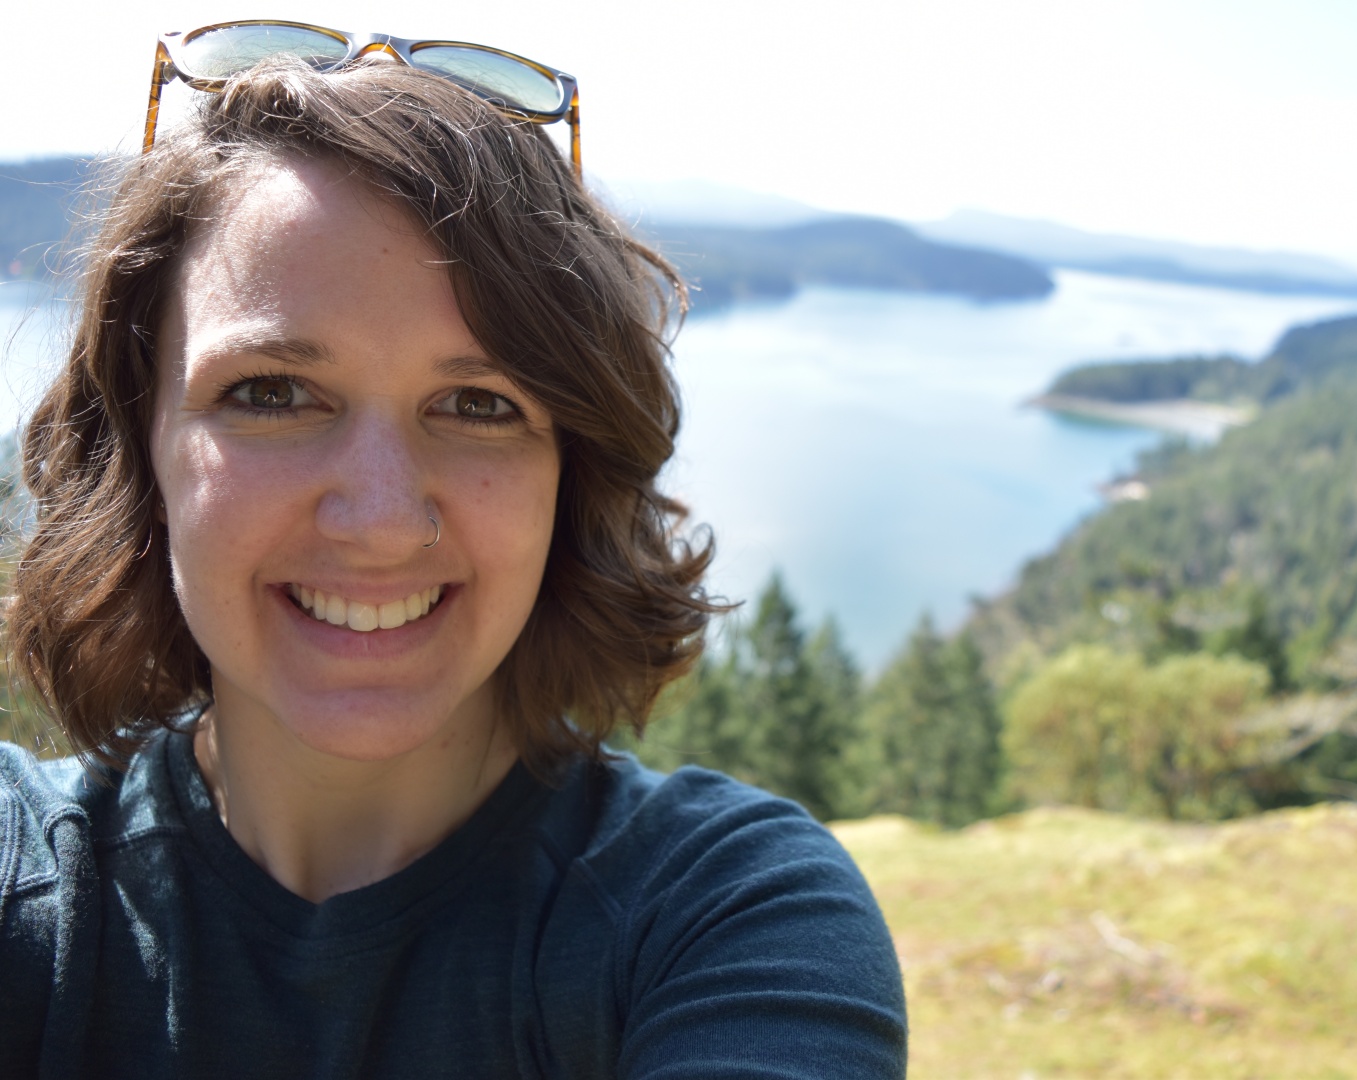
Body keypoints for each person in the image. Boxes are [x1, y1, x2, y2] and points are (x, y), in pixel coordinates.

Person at [0, 26, 906, 1079]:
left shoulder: (722, 915)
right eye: (273, 393)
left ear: (572, 474)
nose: (382, 519)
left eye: (478, 405)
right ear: (139, 447)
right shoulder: (29, 884)